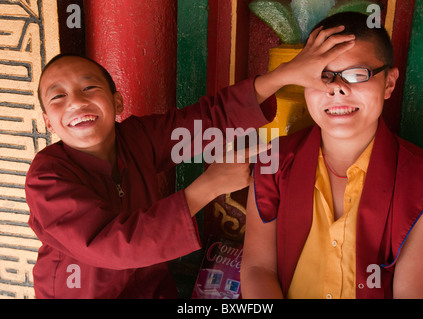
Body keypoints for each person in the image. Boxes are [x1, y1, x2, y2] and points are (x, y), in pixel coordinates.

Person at [25, 49, 336, 298]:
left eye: (89, 87)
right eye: (58, 97)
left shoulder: (138, 140)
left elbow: (207, 120)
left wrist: (284, 75)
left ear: (117, 101)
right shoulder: (47, 177)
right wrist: (207, 187)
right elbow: (109, 245)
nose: (77, 102)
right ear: (48, 122)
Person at [242, 12, 423, 299]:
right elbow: (258, 268)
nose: (337, 88)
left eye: (356, 74)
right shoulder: (273, 162)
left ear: (389, 83)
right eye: (322, 76)